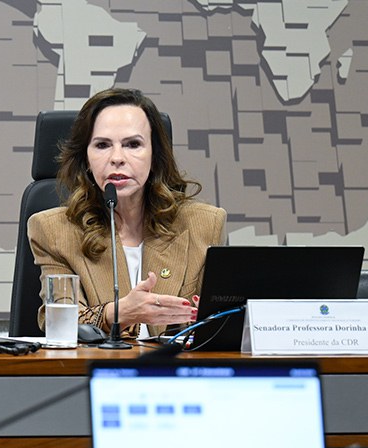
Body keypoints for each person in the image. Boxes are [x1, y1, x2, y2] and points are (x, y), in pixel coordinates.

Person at [28, 88, 226, 339]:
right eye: (102, 145)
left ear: (155, 156)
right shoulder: (53, 231)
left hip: (173, 364)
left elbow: (222, 320)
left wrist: (207, 319)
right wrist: (120, 313)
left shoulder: (205, 224)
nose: (117, 158)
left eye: (133, 144)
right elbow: (59, 322)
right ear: (86, 158)